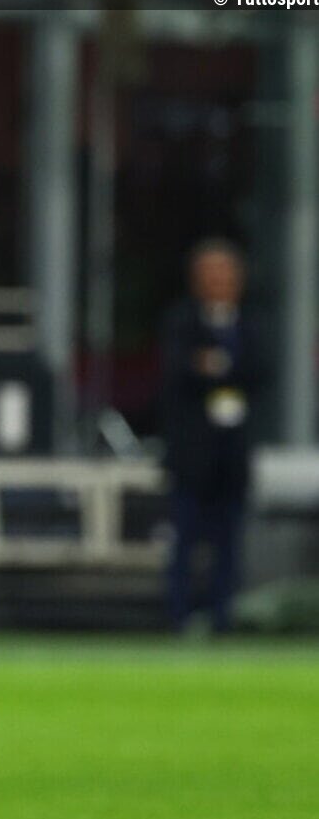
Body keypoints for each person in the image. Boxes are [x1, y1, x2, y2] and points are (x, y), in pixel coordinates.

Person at [159, 238, 265, 634]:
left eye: (225, 274)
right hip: (192, 456)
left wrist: (213, 365)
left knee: (229, 542)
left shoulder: (251, 324)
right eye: (211, 274)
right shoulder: (181, 322)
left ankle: (223, 619)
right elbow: (179, 372)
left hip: (232, 455)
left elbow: (259, 371)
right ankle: (178, 618)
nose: (219, 281)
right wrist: (215, 368)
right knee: (184, 539)